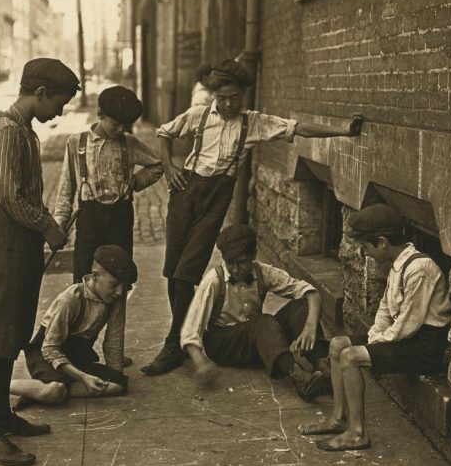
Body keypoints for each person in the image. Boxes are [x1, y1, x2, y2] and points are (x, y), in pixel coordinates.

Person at [141, 57, 364, 376]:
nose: (228, 103)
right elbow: (165, 133)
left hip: (216, 199)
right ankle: (180, 340)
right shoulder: (199, 114)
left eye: (234, 97)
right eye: (222, 98)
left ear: (244, 94)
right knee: (173, 272)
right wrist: (169, 166)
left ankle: (174, 345)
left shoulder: (254, 123)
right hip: (184, 192)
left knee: (187, 273)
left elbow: (297, 128)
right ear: (213, 95)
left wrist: (343, 129)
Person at [0, 57, 78, 466]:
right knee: (2, 336)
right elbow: (5, 197)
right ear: (39, 94)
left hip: (22, 241)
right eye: (60, 103)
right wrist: (49, 225)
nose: (61, 112)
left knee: (15, 331)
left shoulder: (24, 132)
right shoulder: (8, 133)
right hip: (9, 242)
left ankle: (2, 416)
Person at [299, 204, 451, 451]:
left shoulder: (420, 269)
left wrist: (372, 347)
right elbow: (384, 309)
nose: (365, 254)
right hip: (406, 337)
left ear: (382, 242)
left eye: (365, 247)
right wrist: (373, 337)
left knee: (350, 357)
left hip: (426, 346)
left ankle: (357, 433)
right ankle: (339, 418)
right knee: (339, 343)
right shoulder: (398, 264)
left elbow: (407, 326)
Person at [50, 84, 162, 368]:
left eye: (125, 124)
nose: (119, 128)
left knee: (118, 284)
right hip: (89, 220)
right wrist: (60, 225)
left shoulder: (129, 144)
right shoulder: (77, 144)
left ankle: (113, 349)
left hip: (119, 219)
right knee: (83, 284)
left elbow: (156, 166)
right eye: (114, 122)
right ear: (99, 114)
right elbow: (66, 189)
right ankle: (77, 348)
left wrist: (136, 182)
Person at [0, 245, 137, 409]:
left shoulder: (114, 298)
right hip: (46, 354)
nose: (120, 292)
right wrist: (82, 377)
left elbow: (113, 339)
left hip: (77, 356)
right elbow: (50, 348)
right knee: (56, 392)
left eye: (125, 287)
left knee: (117, 385)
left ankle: (35, 391)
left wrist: (114, 373)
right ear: (95, 276)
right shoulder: (72, 298)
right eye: (114, 285)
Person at [180, 225, 332, 400]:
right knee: (262, 321)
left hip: (255, 339)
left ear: (253, 255)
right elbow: (190, 330)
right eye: (230, 263)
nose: (236, 269)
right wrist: (201, 362)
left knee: (301, 306)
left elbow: (311, 293)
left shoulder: (263, 272)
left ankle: (323, 366)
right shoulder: (214, 280)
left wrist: (309, 327)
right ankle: (299, 378)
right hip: (224, 344)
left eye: (242, 262)